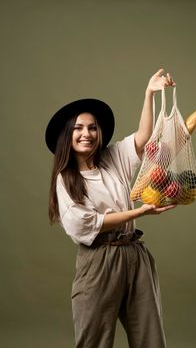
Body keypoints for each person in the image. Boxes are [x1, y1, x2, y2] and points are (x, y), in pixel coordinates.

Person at [45, 68, 177, 348]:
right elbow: (87, 224)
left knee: (150, 339)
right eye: (78, 128)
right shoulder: (66, 179)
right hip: (99, 261)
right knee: (94, 341)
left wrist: (149, 94)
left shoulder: (112, 157)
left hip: (134, 255)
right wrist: (140, 212)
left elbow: (143, 139)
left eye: (92, 127)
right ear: (67, 135)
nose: (87, 134)